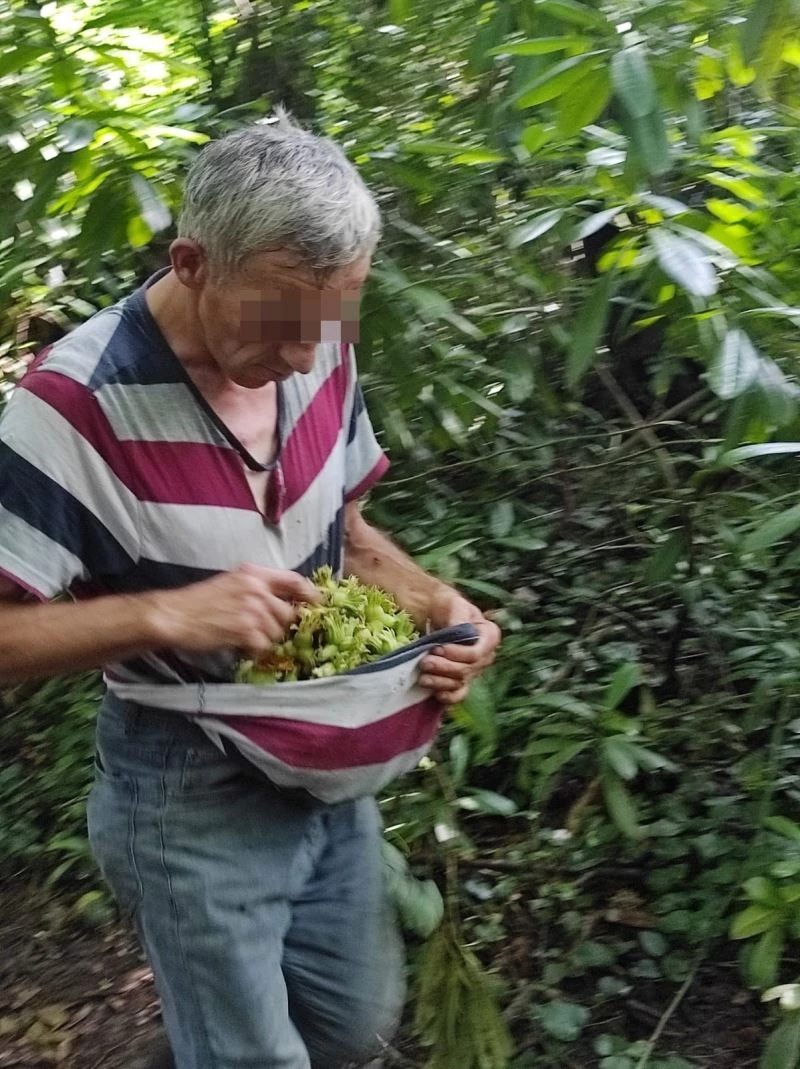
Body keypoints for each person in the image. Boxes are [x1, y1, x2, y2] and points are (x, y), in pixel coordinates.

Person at [0, 112, 501, 1069]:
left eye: (334, 320)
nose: (309, 360)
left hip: (319, 764)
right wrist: (164, 612)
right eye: (280, 329)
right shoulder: (70, 408)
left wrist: (440, 605)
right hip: (181, 783)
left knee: (351, 1021)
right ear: (193, 263)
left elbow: (342, 533)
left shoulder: (318, 343)